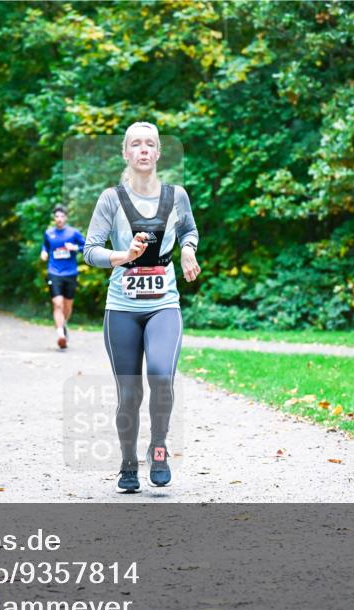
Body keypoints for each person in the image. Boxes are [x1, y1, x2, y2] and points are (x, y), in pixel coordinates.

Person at [83, 121, 201, 493]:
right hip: (121, 308)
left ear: (159, 152)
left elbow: (190, 231)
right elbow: (90, 251)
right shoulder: (110, 198)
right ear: (126, 153)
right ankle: (128, 463)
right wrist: (123, 255)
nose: (144, 150)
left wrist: (186, 251)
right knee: (130, 392)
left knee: (162, 376)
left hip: (164, 303)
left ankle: (159, 446)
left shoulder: (176, 195)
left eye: (150, 144)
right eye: (136, 144)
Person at [40, 204, 85, 349]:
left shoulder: (73, 233)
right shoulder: (49, 233)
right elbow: (45, 246)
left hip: (70, 273)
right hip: (54, 272)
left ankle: (63, 324)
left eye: (62, 216)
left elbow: (88, 246)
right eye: (57, 216)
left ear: (66, 218)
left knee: (67, 305)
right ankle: (60, 335)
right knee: (57, 304)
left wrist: (75, 248)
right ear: (54, 218)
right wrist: (44, 252)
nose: (59, 219)